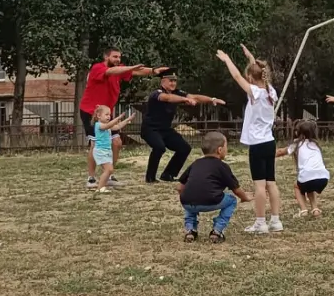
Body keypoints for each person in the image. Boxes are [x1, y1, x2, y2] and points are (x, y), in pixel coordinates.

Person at [216, 46, 283, 235]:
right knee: (271, 182)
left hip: (258, 144)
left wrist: (227, 60)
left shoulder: (255, 92)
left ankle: (260, 223)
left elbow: (238, 77)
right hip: (269, 142)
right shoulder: (270, 92)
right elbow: (257, 74)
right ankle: (276, 220)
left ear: (251, 78)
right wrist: (251, 58)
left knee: (259, 185)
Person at [79, 47, 167, 188]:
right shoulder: (98, 68)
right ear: (106, 57)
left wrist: (153, 71)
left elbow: (134, 71)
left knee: (117, 143)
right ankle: (91, 179)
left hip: (107, 112)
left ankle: (108, 174)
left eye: (119, 57)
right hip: (92, 111)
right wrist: (129, 67)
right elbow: (113, 71)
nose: (118, 59)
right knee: (95, 144)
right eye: (114, 57)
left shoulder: (119, 69)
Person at [142, 69, 226, 183]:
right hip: (150, 129)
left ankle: (168, 174)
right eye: (170, 81)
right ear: (163, 82)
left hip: (165, 130)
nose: (173, 83)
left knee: (184, 148)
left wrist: (212, 99)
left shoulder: (177, 92)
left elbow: (195, 97)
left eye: (175, 81)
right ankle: (150, 177)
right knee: (159, 147)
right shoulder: (156, 93)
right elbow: (167, 98)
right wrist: (185, 99)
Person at [177, 132, 251, 243]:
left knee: (189, 198)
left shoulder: (196, 163)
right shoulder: (222, 166)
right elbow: (236, 189)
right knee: (231, 200)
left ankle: (190, 231)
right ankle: (217, 231)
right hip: (211, 200)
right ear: (220, 150)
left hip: (187, 201)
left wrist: (189, 196)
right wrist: (245, 198)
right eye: (226, 146)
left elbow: (179, 187)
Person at [276, 120, 330, 218]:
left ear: (297, 132)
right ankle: (315, 209)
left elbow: (280, 152)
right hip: (323, 177)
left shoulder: (296, 144)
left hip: (307, 177)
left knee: (297, 186)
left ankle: (303, 210)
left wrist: (267, 155)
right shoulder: (316, 144)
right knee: (309, 187)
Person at [91, 106, 136, 193]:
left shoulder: (108, 126)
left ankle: (101, 186)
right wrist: (118, 118)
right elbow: (108, 125)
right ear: (99, 116)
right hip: (100, 151)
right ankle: (100, 188)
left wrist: (127, 120)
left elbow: (118, 126)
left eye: (110, 115)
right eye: (106, 114)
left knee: (109, 170)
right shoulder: (99, 125)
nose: (109, 116)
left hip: (107, 151)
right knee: (109, 170)